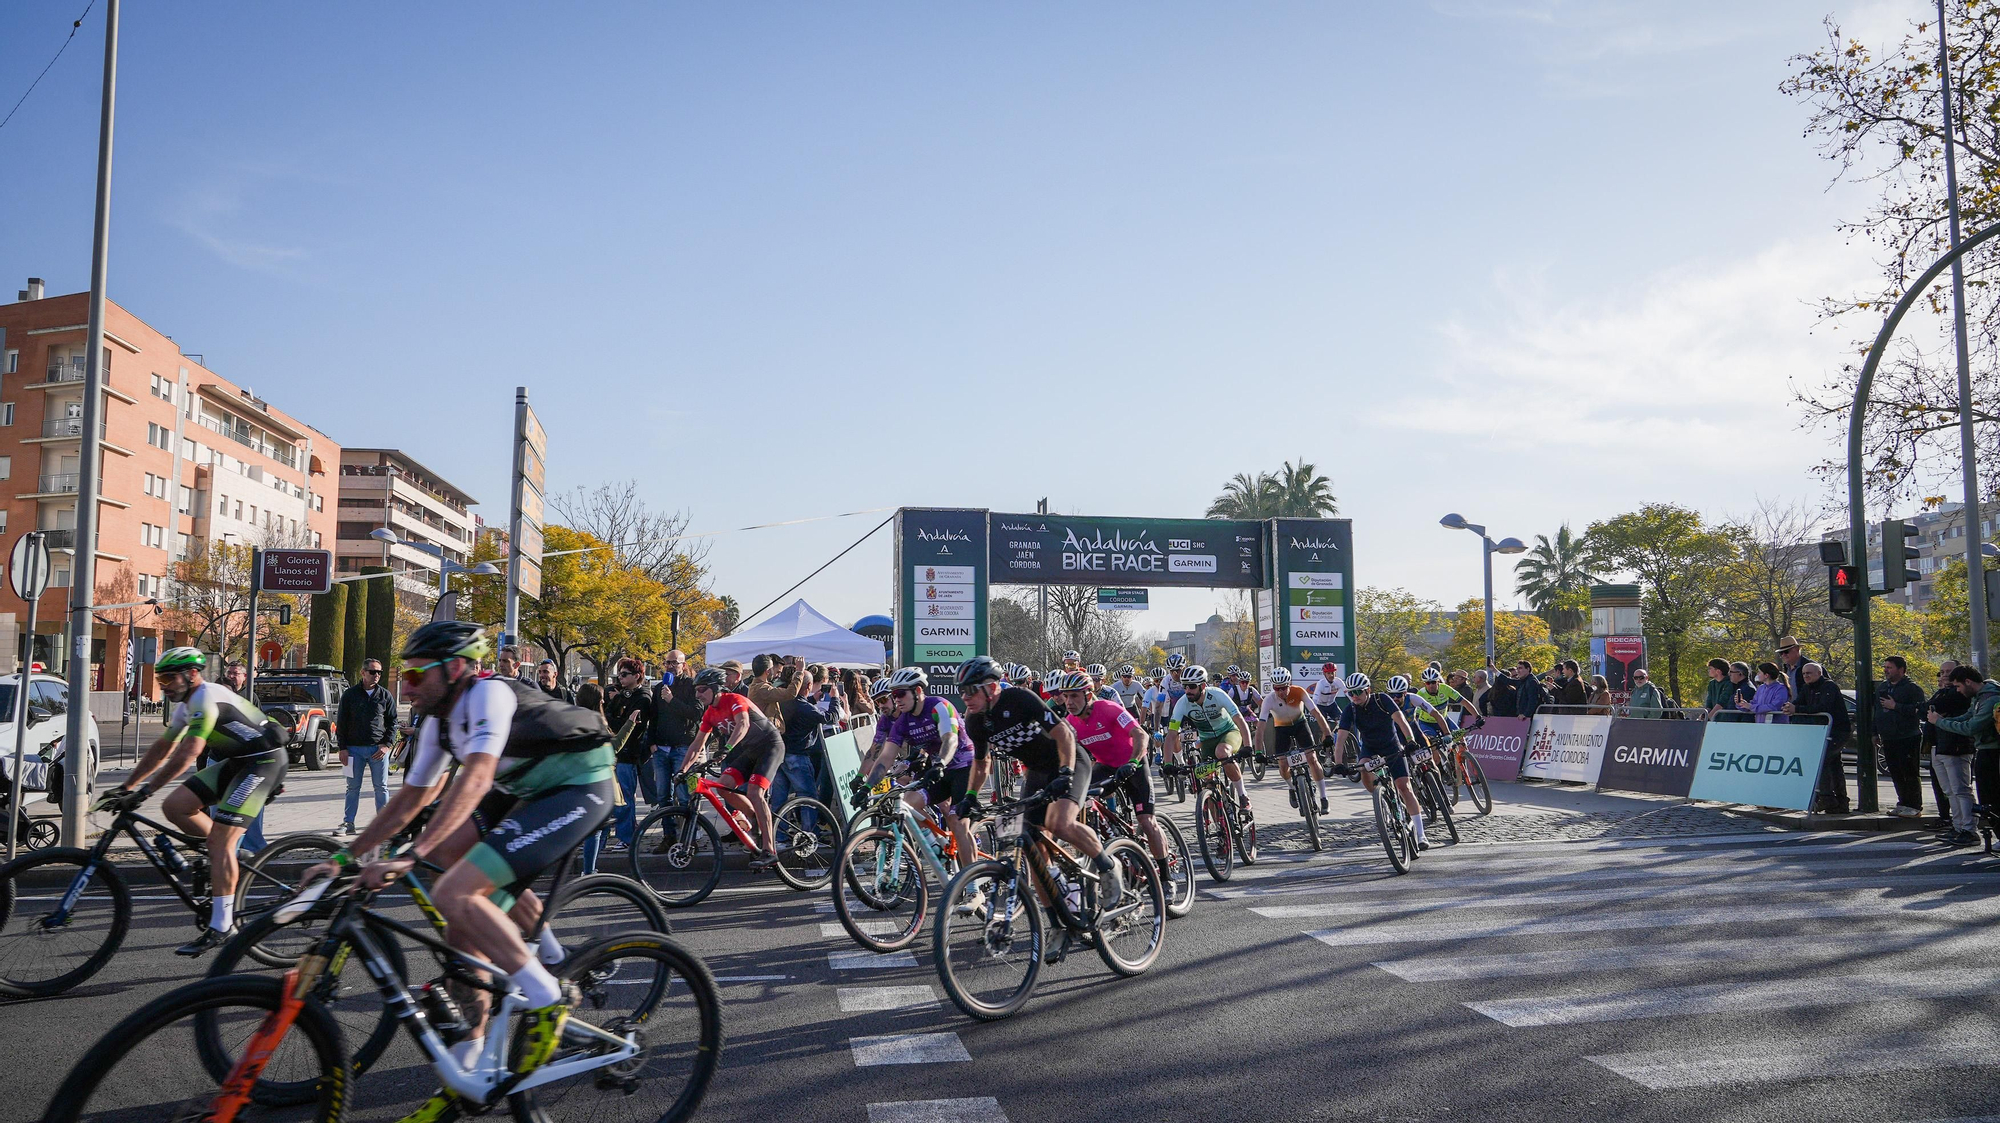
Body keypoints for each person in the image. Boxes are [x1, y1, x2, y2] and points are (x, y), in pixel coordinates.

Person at [306, 620, 614, 1112]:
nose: (404, 686)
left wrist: (411, 854)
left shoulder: (487, 696)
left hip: (580, 784)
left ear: (454, 669)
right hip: (525, 789)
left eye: (414, 676)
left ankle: (547, 992)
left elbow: (475, 779)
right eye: (401, 676)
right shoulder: (436, 721)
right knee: (457, 905)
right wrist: (348, 855)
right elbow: (412, 796)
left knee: (454, 891)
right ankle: (473, 1049)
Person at [96, 648, 288, 955]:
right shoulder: (186, 705)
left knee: (220, 843)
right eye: (161, 679)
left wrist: (143, 792)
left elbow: (188, 754)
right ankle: (235, 858)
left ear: (192, 675)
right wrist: (126, 786)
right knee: (174, 807)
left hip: (264, 764)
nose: (164, 685)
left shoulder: (206, 699)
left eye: (170, 678)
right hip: (238, 762)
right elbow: (162, 748)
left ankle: (222, 925)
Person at [957, 656, 1122, 901]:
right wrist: (970, 796)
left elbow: (1064, 733)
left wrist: (1065, 772)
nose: (965, 697)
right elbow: (982, 762)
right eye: (961, 692)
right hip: (1036, 771)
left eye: (971, 690)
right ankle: (1059, 911)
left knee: (1059, 823)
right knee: (1031, 848)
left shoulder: (1020, 699)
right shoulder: (975, 720)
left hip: (1069, 761)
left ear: (992, 687)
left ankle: (1108, 866)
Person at [1054, 670, 1167, 879]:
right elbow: (1064, 754)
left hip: (1133, 762)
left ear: (1088, 695)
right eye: (1066, 696)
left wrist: (1133, 761)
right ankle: (1110, 842)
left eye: (1074, 696)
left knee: (1146, 821)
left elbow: (1140, 734)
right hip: (1106, 766)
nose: (1068, 701)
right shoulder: (1070, 723)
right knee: (1080, 799)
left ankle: (1166, 877)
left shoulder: (1108, 708)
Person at [678, 667, 786, 867]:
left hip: (771, 746)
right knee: (724, 786)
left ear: (715, 688)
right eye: (696, 690)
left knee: (755, 792)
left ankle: (769, 850)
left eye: (702, 689)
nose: (697, 694)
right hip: (751, 750)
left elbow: (743, 725)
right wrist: (683, 770)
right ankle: (755, 820)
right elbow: (697, 744)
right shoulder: (710, 712)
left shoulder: (735, 699)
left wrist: (726, 749)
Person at [1332, 672, 1428, 849]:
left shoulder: (1382, 699)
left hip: (1392, 746)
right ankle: (1382, 798)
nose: (1354, 696)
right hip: (1370, 748)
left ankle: (1421, 835)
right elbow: (1341, 739)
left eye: (1358, 692)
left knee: (1404, 787)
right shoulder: (1350, 709)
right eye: (1350, 693)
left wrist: (1410, 741)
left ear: (1368, 690)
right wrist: (1338, 763)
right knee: (1364, 772)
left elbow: (1400, 721)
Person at [1165, 666, 1254, 807]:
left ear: (1203, 686)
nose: (1187, 690)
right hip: (1207, 740)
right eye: (1185, 686)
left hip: (1228, 732)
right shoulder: (1183, 703)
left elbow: (1239, 720)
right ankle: (1219, 826)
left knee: (1222, 752)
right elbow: (1171, 735)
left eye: (1192, 687)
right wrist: (1168, 763)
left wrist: (1248, 746)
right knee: (1208, 784)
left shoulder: (1218, 694)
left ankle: (1243, 795)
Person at [1930, 665, 1997, 846]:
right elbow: (1966, 717)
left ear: (1968, 682)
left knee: (1991, 797)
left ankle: (1979, 832)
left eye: (1958, 686)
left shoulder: (1989, 699)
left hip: (1993, 752)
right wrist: (1942, 721)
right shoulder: (1979, 698)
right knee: (1987, 797)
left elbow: (1971, 727)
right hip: (1984, 750)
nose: (1958, 691)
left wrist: (1940, 722)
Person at [335, 658, 398, 836]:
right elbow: (342, 722)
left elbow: (392, 722)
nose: (376, 675)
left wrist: (387, 744)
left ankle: (383, 824)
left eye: (379, 672)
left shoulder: (385, 695)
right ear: (363, 673)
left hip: (378, 750)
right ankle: (348, 823)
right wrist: (342, 748)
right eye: (373, 672)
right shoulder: (350, 695)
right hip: (353, 750)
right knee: (352, 787)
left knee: (381, 786)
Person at [1258, 667, 1333, 812]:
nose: (1280, 692)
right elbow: (1260, 727)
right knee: (1283, 764)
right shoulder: (1269, 700)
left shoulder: (1298, 691)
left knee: (1312, 758)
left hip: (1300, 725)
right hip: (1281, 729)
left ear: (1289, 684)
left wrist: (1328, 735)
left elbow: (1316, 713)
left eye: (1284, 688)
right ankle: (1291, 787)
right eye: (1277, 688)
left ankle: (1324, 797)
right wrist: (1259, 751)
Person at [216, 659, 270, 855]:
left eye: (235, 673)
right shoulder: (218, 696)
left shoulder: (250, 697)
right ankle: (223, 846)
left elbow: (261, 725)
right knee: (220, 807)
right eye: (229, 672)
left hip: (248, 760)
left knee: (251, 804)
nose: (231, 676)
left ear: (244, 677)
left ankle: (254, 846)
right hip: (220, 758)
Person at [602, 658, 656, 852]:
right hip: (619, 751)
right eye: (619, 674)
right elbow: (607, 716)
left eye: (624, 674)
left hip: (629, 752)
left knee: (624, 796)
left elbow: (629, 726)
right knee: (618, 796)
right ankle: (624, 834)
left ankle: (626, 837)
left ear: (637, 676)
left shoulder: (642, 697)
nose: (620, 678)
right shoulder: (622, 694)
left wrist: (619, 720)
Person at [1785, 662, 1852, 814]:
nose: (1806, 676)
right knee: (1834, 766)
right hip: (1821, 732)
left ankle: (1827, 799)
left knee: (1822, 762)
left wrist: (1798, 709)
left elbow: (1824, 707)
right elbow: (1798, 703)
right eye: (1803, 674)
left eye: (1809, 673)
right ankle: (1840, 803)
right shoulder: (1806, 688)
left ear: (1819, 673)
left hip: (1837, 731)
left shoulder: (1829, 686)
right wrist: (1789, 707)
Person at [1872, 656, 1929, 819]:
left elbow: (1919, 711)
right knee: (1895, 771)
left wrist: (1896, 706)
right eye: (1885, 667)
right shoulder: (1883, 687)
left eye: (1890, 667)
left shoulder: (1912, 689)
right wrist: (1875, 732)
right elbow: (1877, 711)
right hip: (1889, 737)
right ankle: (1902, 802)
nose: (1886, 670)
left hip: (1908, 736)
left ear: (1901, 670)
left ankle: (1914, 805)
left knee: (1909, 771)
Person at [1926, 662, 1975, 843]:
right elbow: (1927, 708)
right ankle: (1958, 826)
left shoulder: (1960, 694)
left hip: (1956, 747)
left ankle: (1969, 829)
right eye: (1942, 672)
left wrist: (1934, 711)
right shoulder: (1943, 692)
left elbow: (1935, 706)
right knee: (1949, 791)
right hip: (1939, 746)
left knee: (1961, 789)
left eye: (1949, 672)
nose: (1945, 675)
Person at [648, 651, 700, 807]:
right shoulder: (659, 688)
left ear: (683, 666)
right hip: (661, 749)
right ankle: (668, 831)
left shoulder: (692, 686)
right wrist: (651, 743)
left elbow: (696, 713)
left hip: (682, 748)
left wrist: (672, 700)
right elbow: (653, 717)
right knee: (663, 796)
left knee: (684, 796)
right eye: (667, 663)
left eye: (674, 663)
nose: (669, 666)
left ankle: (688, 830)